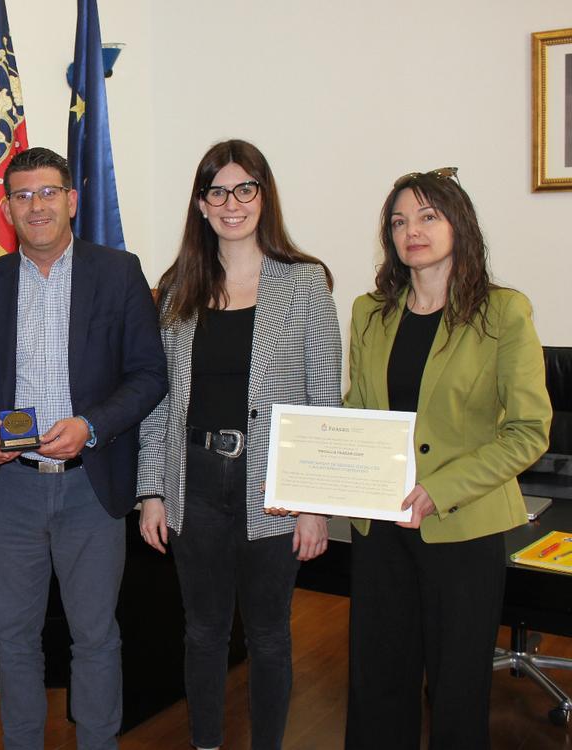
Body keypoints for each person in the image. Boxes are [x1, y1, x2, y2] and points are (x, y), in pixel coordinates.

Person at [0, 146, 167, 749]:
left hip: (90, 486)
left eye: (48, 193)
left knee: (94, 636)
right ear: (6, 209)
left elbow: (150, 374)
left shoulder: (118, 272)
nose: (36, 206)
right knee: (13, 638)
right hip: (10, 488)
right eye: (22, 196)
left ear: (71, 200)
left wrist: (91, 426)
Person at [135, 139, 341, 750]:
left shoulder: (305, 283)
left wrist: (314, 504)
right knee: (202, 632)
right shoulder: (178, 287)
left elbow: (323, 398)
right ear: (201, 204)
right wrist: (152, 492)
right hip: (194, 480)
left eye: (245, 188)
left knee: (270, 634)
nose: (232, 203)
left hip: (274, 483)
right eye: (218, 191)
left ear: (263, 195)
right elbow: (159, 401)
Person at [344, 168, 551, 749]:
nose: (412, 230)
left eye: (428, 216)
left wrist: (441, 489)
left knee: (457, 691)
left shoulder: (503, 312)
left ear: (459, 224)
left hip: (462, 527)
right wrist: (312, 474)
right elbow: (358, 411)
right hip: (381, 525)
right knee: (377, 684)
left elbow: (528, 431)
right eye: (399, 221)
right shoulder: (369, 312)